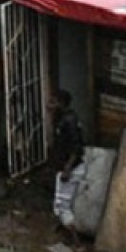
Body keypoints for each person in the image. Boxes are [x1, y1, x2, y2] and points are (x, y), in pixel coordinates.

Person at [50, 90, 86, 234]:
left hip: (70, 168)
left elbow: (76, 147)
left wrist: (67, 168)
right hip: (66, 166)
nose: (49, 106)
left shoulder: (69, 121)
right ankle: (65, 228)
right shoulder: (64, 118)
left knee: (62, 207)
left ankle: (76, 242)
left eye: (52, 102)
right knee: (64, 203)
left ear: (61, 103)